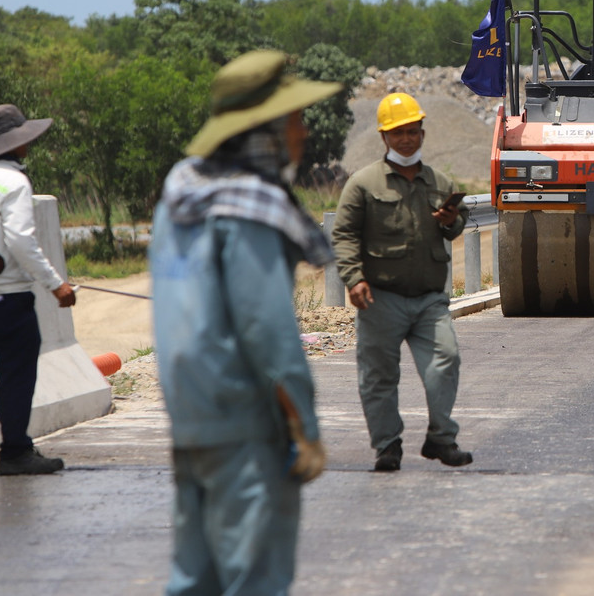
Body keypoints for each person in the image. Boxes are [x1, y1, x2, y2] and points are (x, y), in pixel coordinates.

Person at [149, 50, 340, 595]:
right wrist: (304, 425)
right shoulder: (250, 207)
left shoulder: (179, 195)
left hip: (190, 416)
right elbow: (269, 331)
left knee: (194, 580)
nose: (302, 133)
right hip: (246, 424)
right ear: (267, 131)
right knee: (255, 580)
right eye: (294, 120)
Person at [332, 92, 473, 472]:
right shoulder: (362, 184)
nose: (407, 139)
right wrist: (354, 278)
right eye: (398, 133)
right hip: (381, 298)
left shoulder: (440, 182)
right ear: (383, 138)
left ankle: (441, 439)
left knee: (447, 359)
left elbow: (455, 224)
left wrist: (449, 220)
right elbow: (344, 236)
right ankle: (387, 446)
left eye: (413, 131)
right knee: (378, 376)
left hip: (429, 299)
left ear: (423, 134)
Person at [0, 104, 76, 475]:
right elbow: (21, 240)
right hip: (9, 298)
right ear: (15, 144)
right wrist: (56, 284)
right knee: (15, 376)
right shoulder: (14, 182)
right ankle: (15, 451)